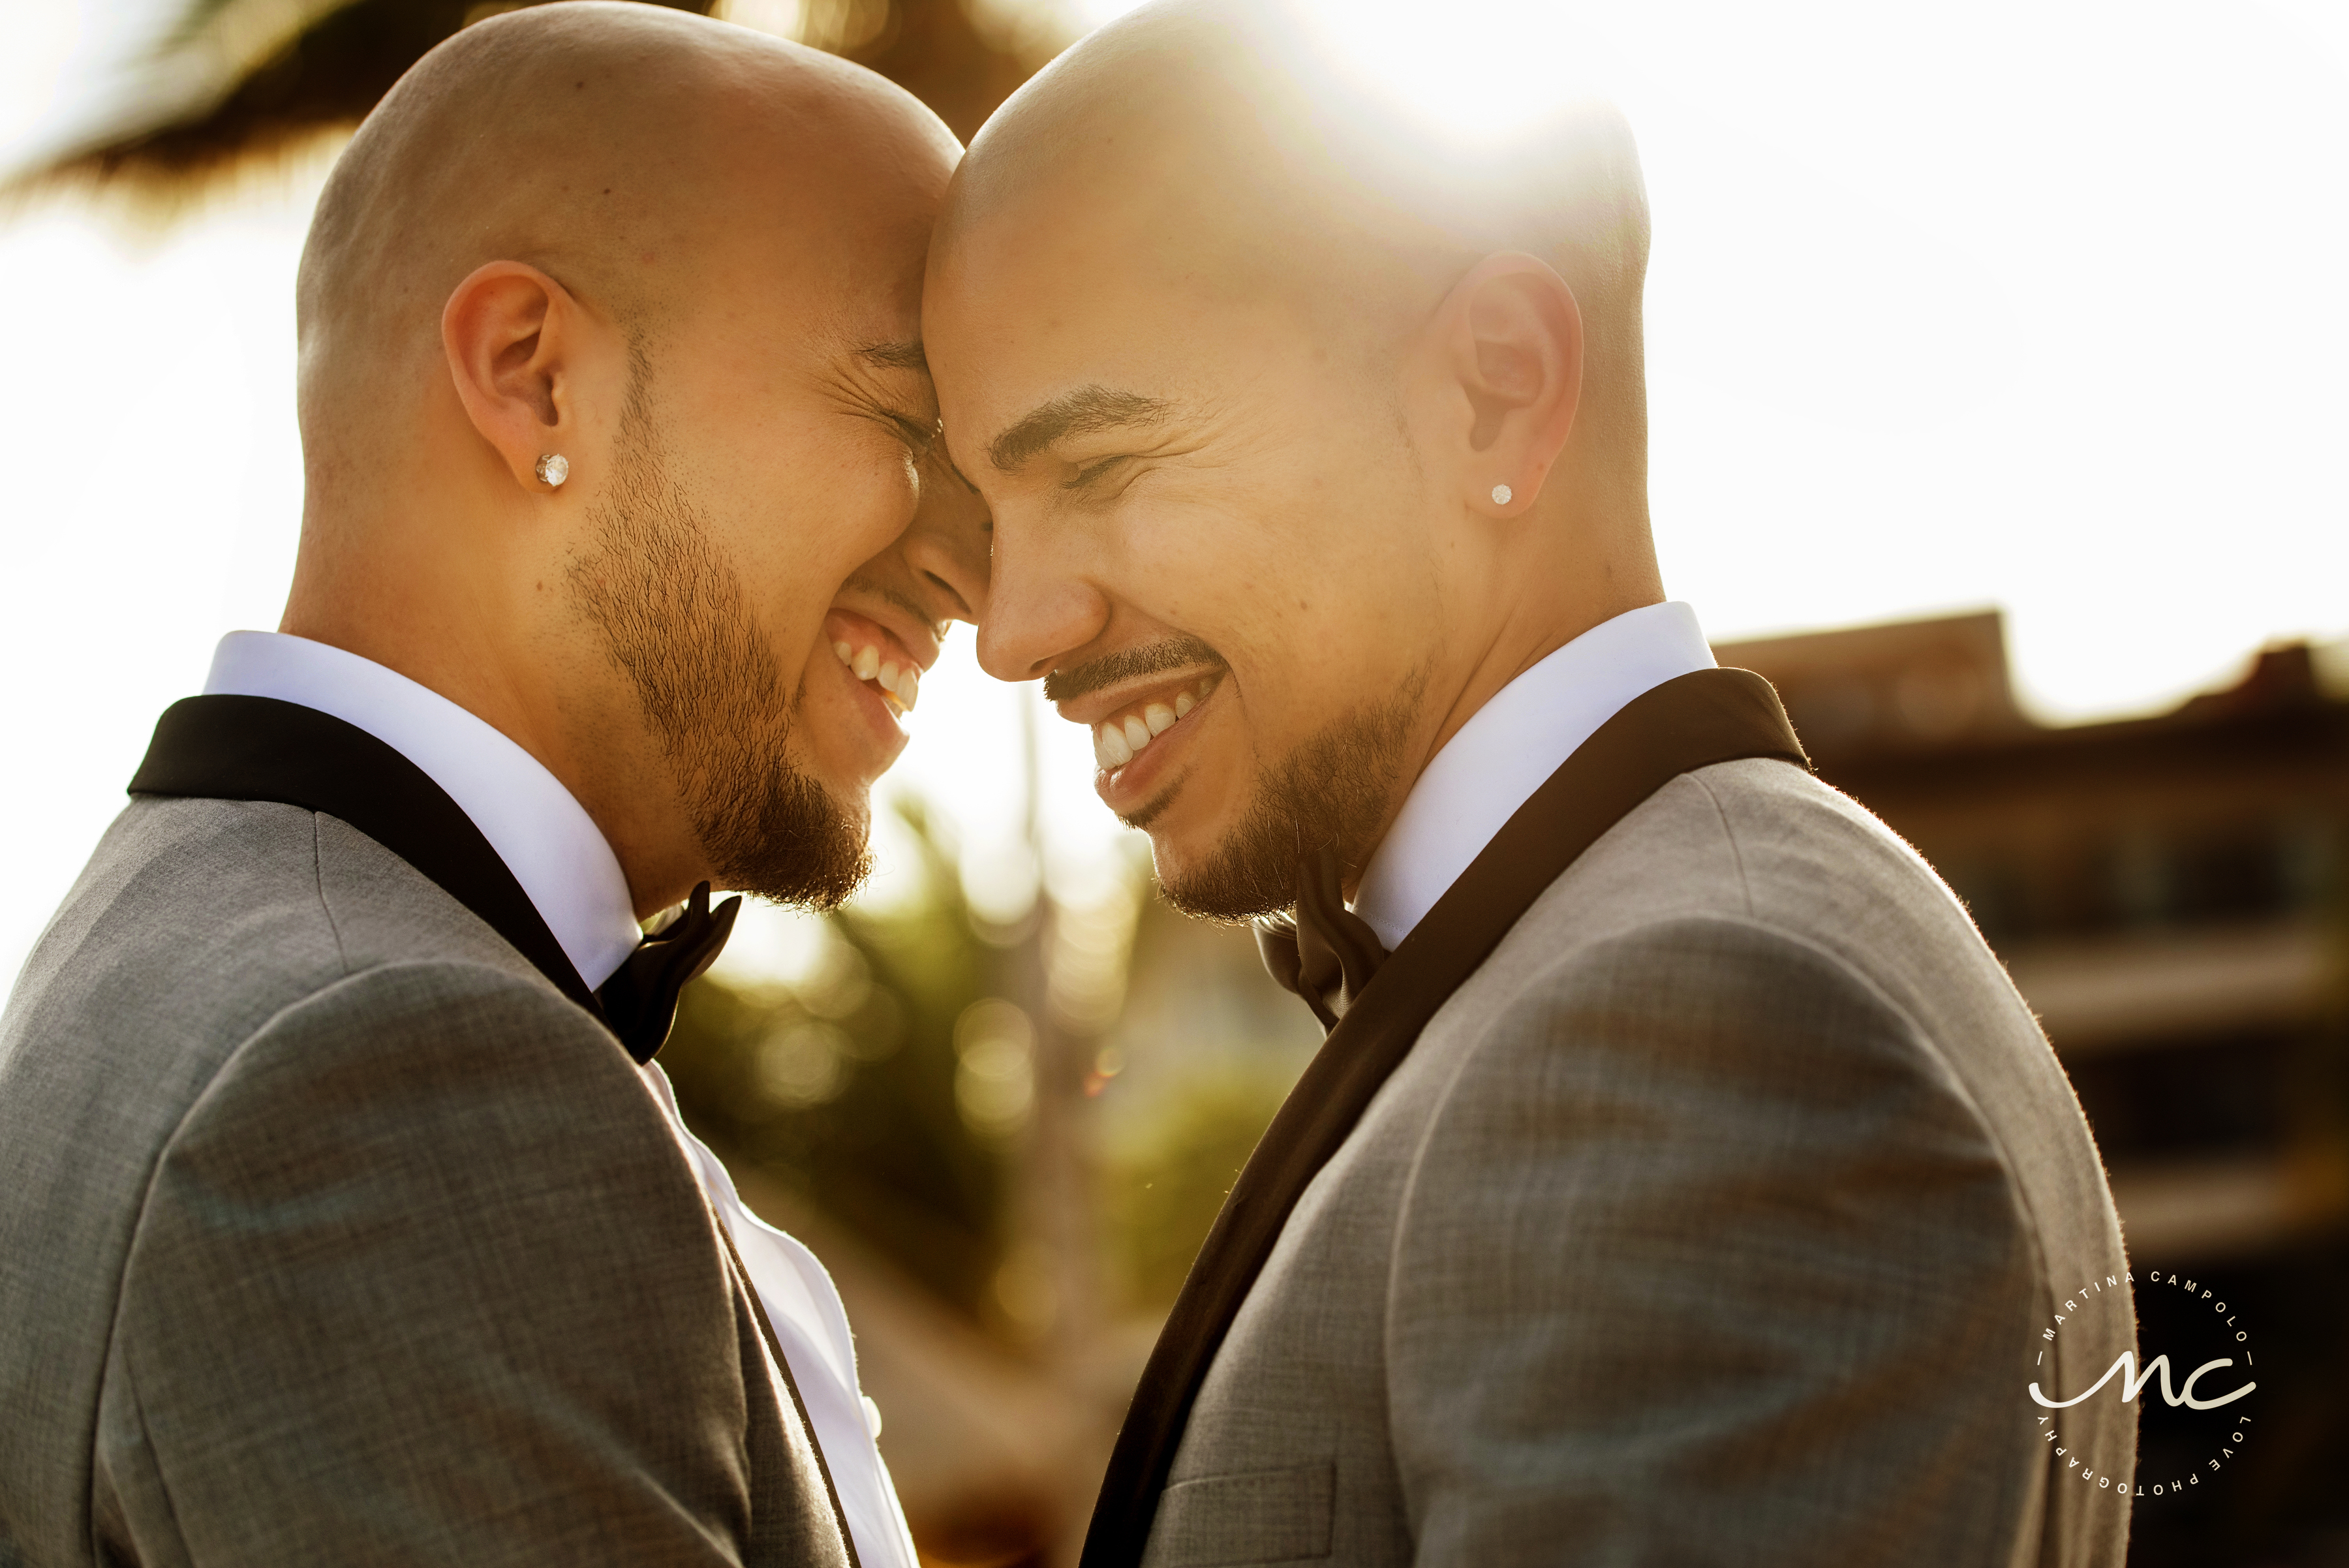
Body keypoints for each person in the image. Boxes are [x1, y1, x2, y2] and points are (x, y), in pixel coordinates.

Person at [923, 3, 2134, 1564]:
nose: (1015, 634)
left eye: (1095, 467)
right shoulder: (1659, 972)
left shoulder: (1711, 1035)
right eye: (992, 511)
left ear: (1495, 387)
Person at [0, 6, 986, 1565]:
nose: (979, 568)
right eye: (903, 418)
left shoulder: (201, 941)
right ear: (533, 378)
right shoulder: (382, 1077)